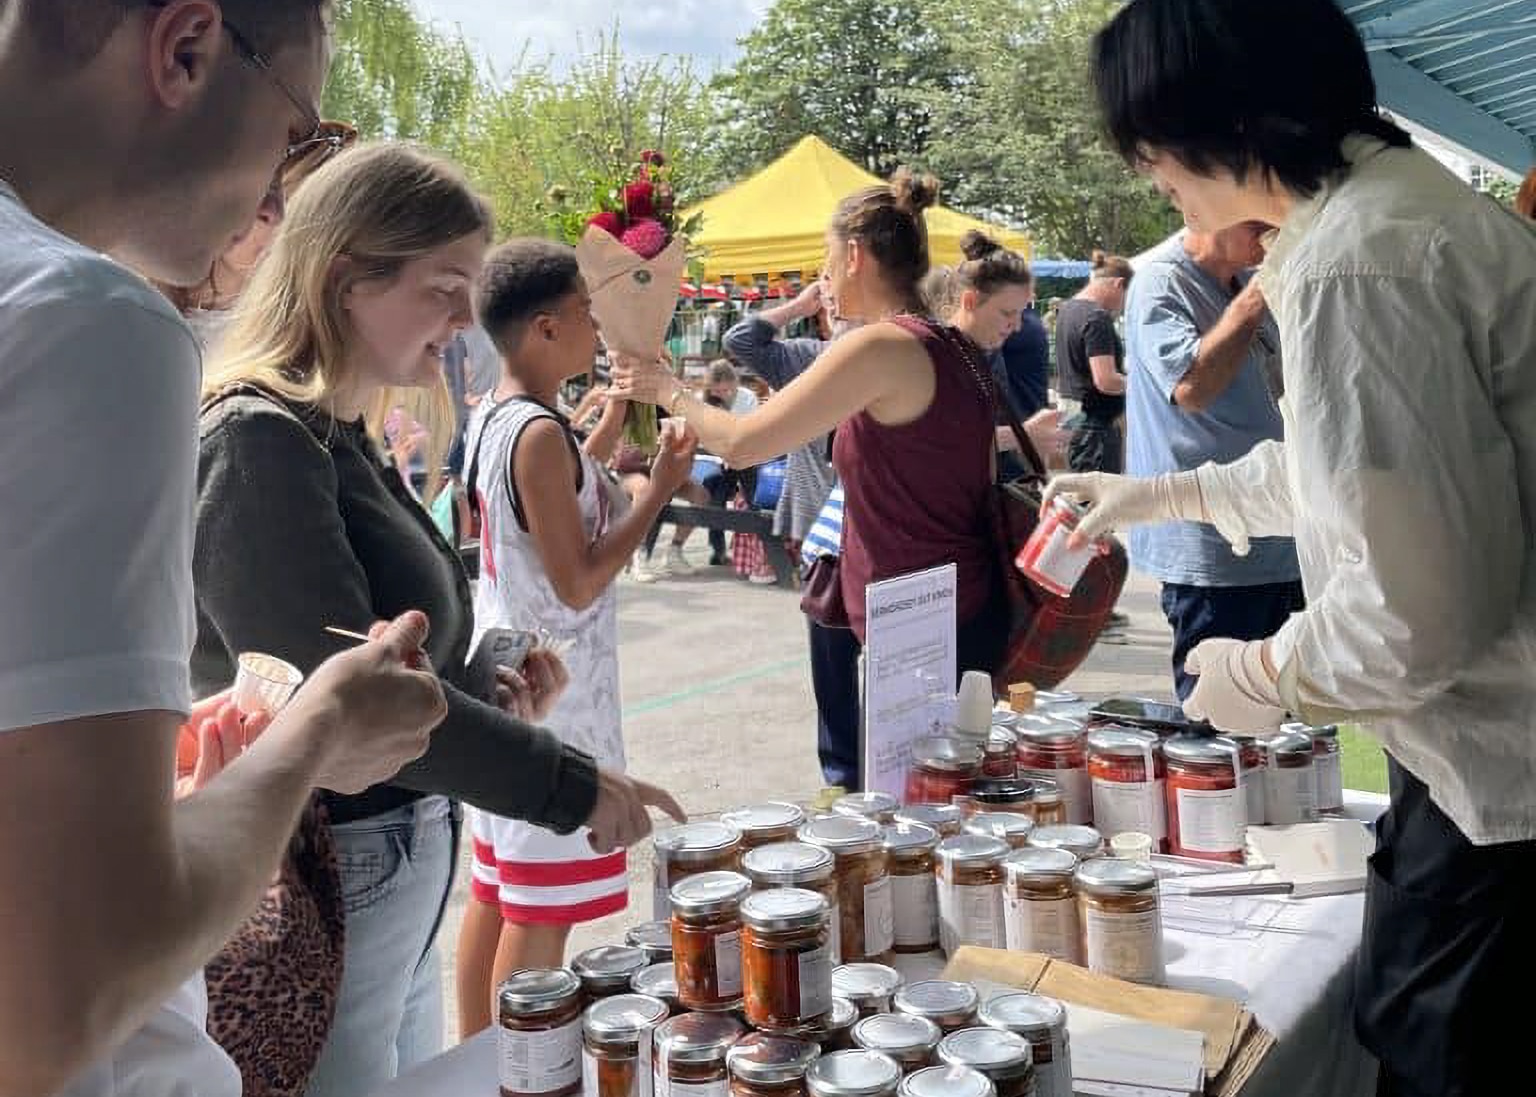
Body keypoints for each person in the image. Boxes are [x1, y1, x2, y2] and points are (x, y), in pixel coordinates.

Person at [1061, 2, 1536, 1093]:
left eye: (1149, 150)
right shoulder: (1384, 218)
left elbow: (1422, 611)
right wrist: (1157, 493)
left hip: (1503, 793)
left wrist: (1265, 669)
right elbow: (1358, 477)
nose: (1153, 181)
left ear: (1216, 121)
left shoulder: (1358, 263)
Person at [0, 4, 450, 1096]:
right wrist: (314, 737)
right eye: (299, 133)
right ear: (187, 50)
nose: (277, 196)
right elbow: (57, 997)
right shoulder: (83, 322)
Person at [197, 143, 683, 1097]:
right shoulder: (260, 440)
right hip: (324, 871)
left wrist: (487, 665)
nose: (467, 320)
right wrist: (570, 783)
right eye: (444, 289)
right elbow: (342, 709)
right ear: (346, 280)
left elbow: (391, 645)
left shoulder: (333, 428)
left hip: (390, 851)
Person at [617, 169, 1010, 678]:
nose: (825, 275)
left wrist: (663, 388)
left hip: (921, 618)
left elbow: (740, 444)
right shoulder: (952, 344)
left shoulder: (880, 345)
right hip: (960, 600)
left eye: (827, 258)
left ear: (853, 255)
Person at [453, 238, 696, 1038]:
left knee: (496, 891)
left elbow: (537, 513)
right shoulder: (536, 434)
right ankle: (512, 1066)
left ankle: (476, 1059)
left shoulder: (498, 415)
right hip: (551, 689)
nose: (598, 328)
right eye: (588, 313)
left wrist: (606, 430)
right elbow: (577, 579)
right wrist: (656, 490)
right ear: (545, 328)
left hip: (508, 671)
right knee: (538, 907)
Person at [1123, 223, 1301, 699]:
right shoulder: (1162, 283)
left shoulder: (1244, 279)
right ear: (1206, 207)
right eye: (1256, 218)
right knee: (1220, 731)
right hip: (1216, 554)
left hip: (1282, 540)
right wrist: (1258, 296)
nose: (1272, 227)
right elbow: (1191, 387)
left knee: (1287, 727)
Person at [926, 231, 1072, 470]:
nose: (1017, 326)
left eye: (1021, 312)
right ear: (970, 302)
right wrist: (1020, 436)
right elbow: (930, 440)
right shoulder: (933, 352)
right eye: (1008, 313)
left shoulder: (984, 351)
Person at [1055, 250, 1132, 473]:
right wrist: (1142, 384)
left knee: (1079, 495)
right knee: (1097, 500)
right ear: (1118, 284)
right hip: (1094, 423)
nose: (1124, 305)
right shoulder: (1096, 317)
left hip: (1072, 414)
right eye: (1127, 296)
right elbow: (1106, 381)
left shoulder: (1067, 309)